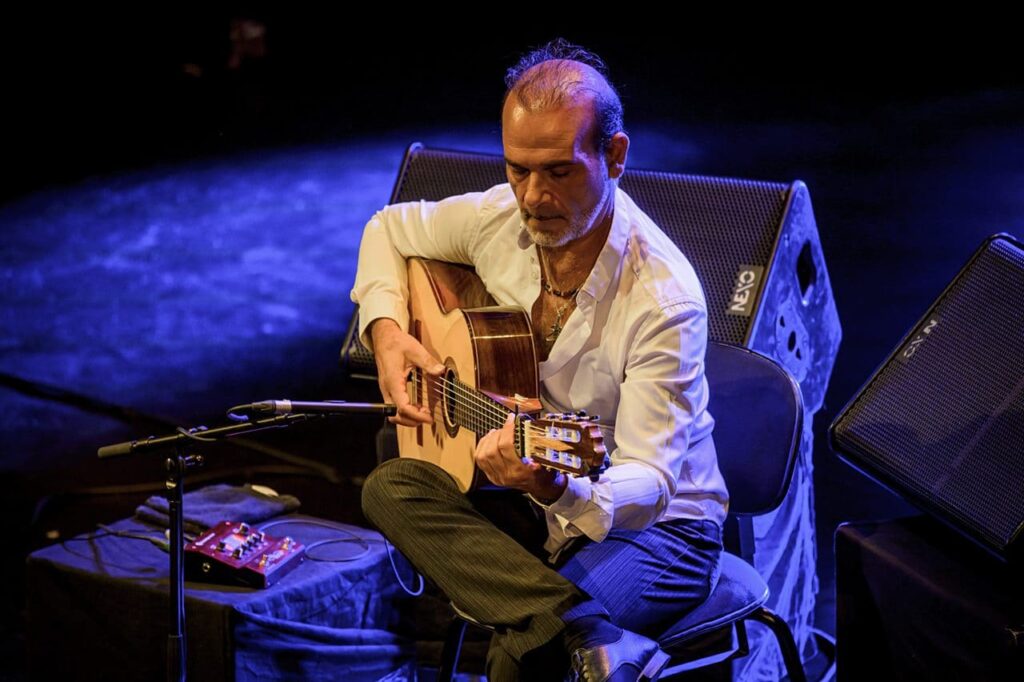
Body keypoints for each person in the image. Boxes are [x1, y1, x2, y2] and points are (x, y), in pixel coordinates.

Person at [352, 38, 729, 682]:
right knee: (390, 486)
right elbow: (388, 227)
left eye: (558, 171)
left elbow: (649, 478)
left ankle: (552, 625)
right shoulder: (500, 219)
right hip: (531, 502)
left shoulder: (664, 299)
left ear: (613, 157)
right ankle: (580, 625)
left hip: (658, 532)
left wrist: (559, 485)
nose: (531, 197)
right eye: (516, 170)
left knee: (523, 653)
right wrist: (386, 331)